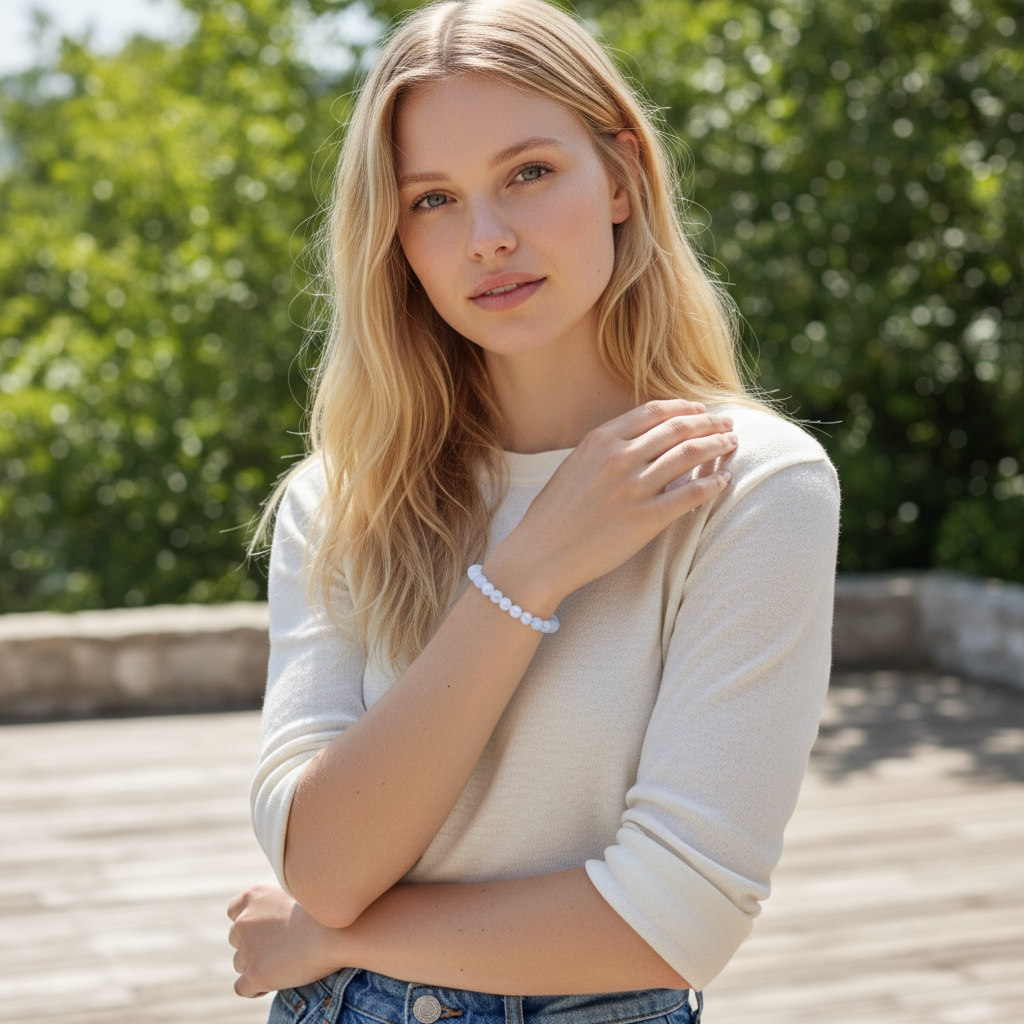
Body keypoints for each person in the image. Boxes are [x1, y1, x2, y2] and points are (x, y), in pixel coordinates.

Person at [227, 0, 840, 1021]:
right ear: (395, 241)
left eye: (529, 173)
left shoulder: (752, 487)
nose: (487, 239)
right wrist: (530, 568)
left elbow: (675, 918)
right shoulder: (342, 496)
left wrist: (326, 935)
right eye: (431, 200)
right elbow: (323, 860)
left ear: (621, 177)